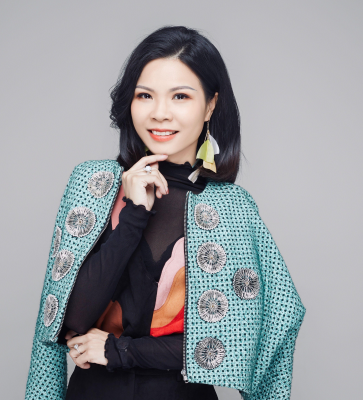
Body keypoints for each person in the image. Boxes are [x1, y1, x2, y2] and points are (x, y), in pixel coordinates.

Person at [25, 25, 306, 400]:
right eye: (145, 95)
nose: (160, 113)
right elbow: (67, 320)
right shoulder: (93, 185)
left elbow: (237, 344)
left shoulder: (233, 208)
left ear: (210, 105)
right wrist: (133, 216)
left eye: (180, 96)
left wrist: (119, 351)